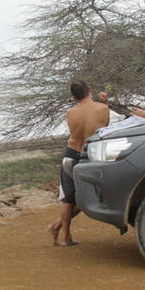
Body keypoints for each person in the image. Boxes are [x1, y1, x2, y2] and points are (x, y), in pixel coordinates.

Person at [48, 81, 109, 246]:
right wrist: (104, 102)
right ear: (90, 90)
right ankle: (59, 229)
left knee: (68, 198)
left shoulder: (70, 112)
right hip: (90, 156)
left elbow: (77, 129)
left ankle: (63, 232)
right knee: (90, 196)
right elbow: (105, 127)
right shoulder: (103, 109)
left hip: (71, 155)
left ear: (73, 97)